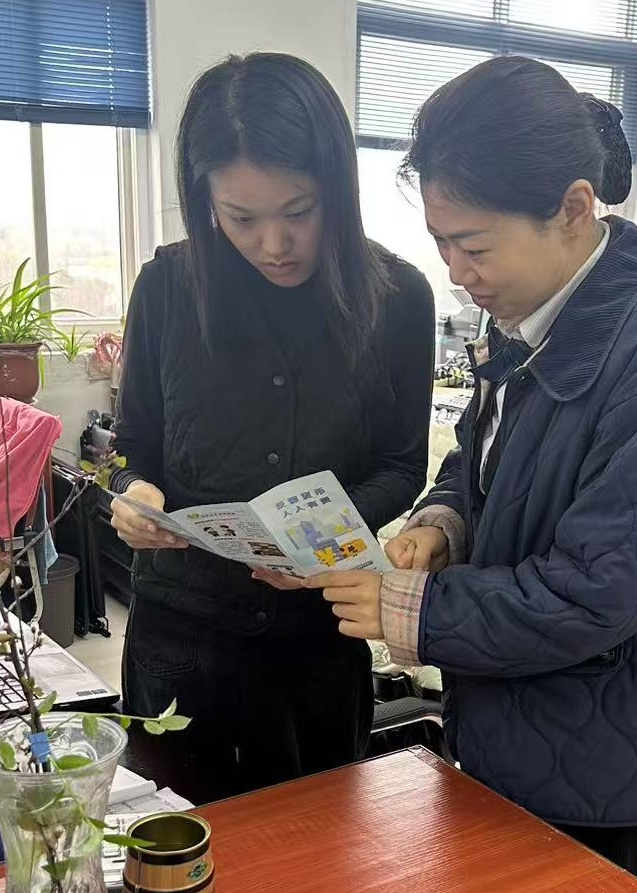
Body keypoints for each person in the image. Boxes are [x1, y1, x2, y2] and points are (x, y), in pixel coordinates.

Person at [306, 56, 637, 893]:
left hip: (608, 763)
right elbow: (484, 458)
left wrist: (412, 610)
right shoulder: (533, 316)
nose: (456, 271)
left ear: (574, 209)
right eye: (442, 243)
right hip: (518, 724)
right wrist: (444, 520)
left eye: (475, 245)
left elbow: (595, 591)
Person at [109, 53, 434, 801]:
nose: (274, 245)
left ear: (337, 191)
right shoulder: (167, 289)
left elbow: (400, 464)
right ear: (205, 200)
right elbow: (132, 446)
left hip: (318, 637)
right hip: (181, 640)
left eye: (299, 212)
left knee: (318, 849)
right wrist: (135, 493)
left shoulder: (397, 299)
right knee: (179, 845)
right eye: (241, 219)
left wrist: (316, 541)